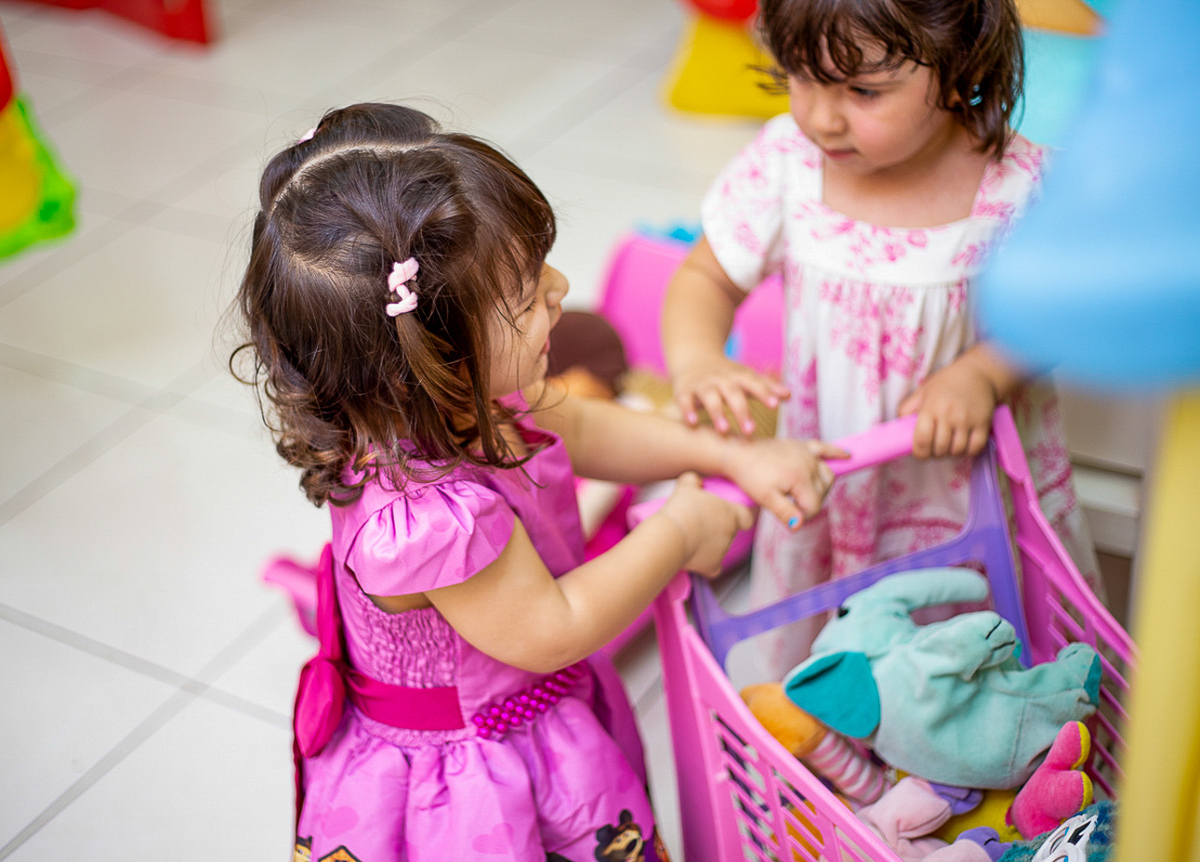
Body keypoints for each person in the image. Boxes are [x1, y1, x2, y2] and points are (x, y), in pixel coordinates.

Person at [233, 102, 843, 862]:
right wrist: (676, 533)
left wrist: (728, 458)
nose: (559, 288)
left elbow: (583, 430)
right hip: (480, 780)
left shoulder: (475, 395)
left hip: (534, 712)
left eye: (540, 263)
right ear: (430, 358)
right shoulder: (426, 521)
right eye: (525, 293)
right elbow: (552, 628)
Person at [661, 0, 1101, 676]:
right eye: (803, 79)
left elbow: (1066, 304)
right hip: (833, 481)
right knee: (832, 668)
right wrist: (697, 362)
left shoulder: (1019, 183)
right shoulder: (787, 161)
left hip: (969, 493)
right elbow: (706, 279)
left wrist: (983, 373)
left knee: (981, 658)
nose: (823, 117)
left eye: (864, 91)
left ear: (958, 71)